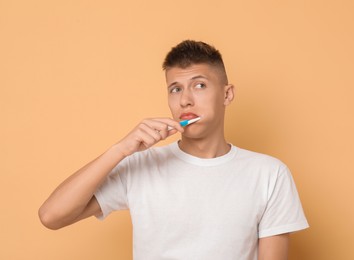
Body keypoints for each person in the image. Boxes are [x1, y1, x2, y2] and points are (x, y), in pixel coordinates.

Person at [39, 40, 309, 260]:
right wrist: (121, 149)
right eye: (175, 89)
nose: (185, 100)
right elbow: (51, 216)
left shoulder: (269, 174)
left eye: (199, 85)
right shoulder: (141, 166)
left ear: (227, 94)